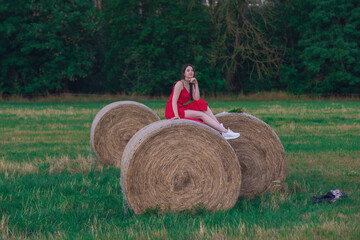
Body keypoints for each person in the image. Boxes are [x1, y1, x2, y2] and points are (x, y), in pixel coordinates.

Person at [165, 64, 240, 140]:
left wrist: (196, 84)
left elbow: (197, 99)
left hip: (181, 107)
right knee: (201, 114)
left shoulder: (190, 84)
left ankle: (220, 127)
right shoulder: (180, 84)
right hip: (173, 110)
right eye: (188, 70)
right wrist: (176, 116)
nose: (190, 72)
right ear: (184, 73)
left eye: (192, 70)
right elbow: (173, 101)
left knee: (201, 103)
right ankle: (225, 131)